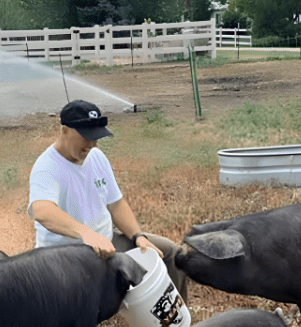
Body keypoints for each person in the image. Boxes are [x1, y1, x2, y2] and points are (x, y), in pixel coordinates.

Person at [28, 99, 187, 299]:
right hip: (65, 256)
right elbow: (43, 211)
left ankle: (177, 319)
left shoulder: (96, 157)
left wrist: (137, 236)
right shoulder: (46, 167)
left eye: (96, 137)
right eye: (87, 136)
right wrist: (87, 234)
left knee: (170, 253)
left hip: (107, 245)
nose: (92, 144)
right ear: (65, 131)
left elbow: (116, 204)